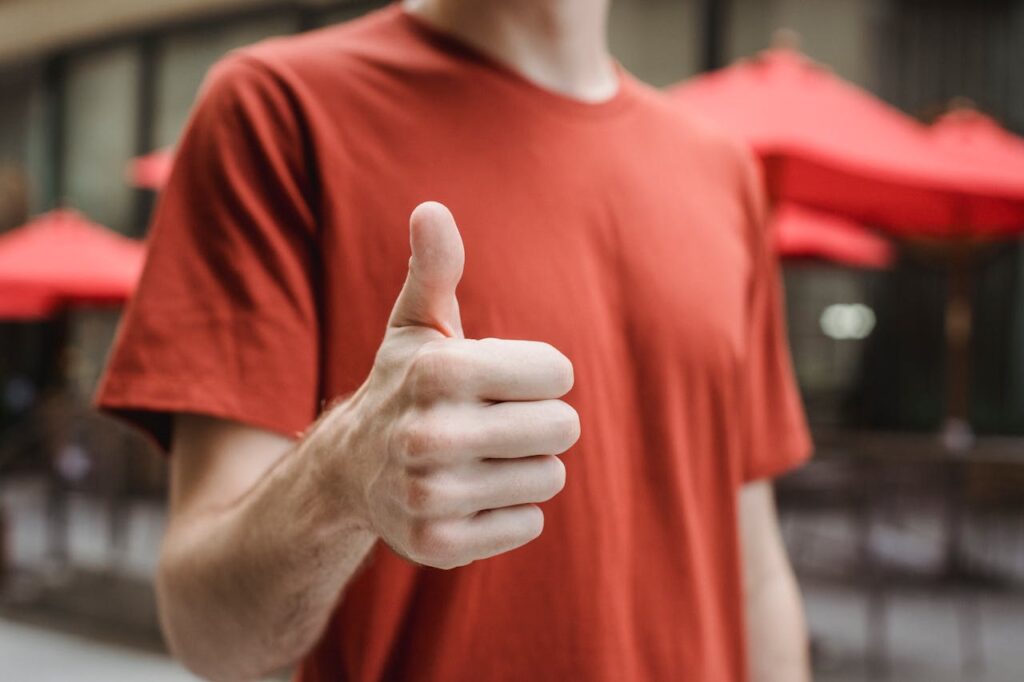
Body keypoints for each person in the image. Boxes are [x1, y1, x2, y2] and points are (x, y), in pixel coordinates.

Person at [97, 1, 813, 680]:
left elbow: (753, 573)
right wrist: (343, 477)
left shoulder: (724, 173)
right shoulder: (275, 109)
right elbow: (205, 631)